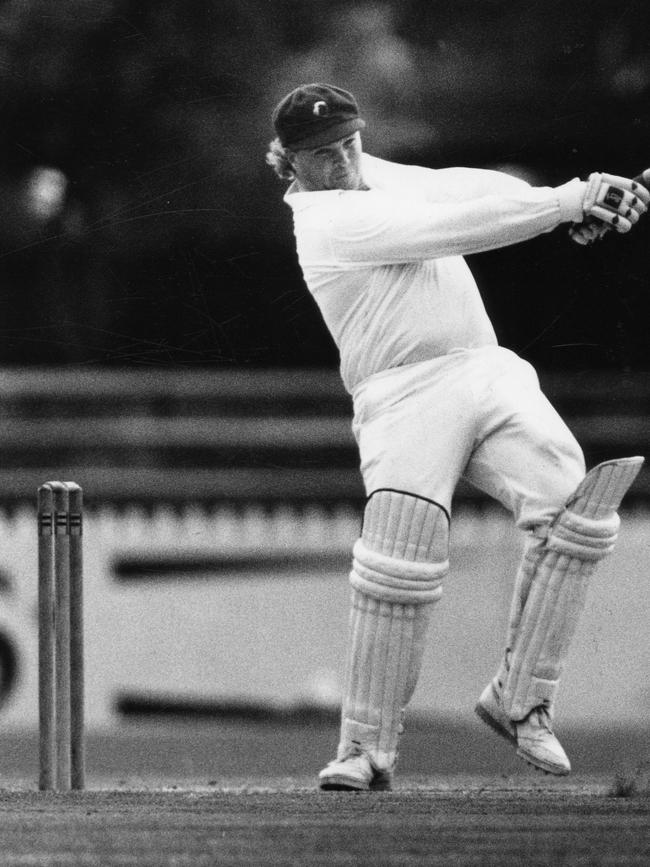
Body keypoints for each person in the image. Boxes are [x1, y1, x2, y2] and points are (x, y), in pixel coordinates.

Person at [266, 83, 648, 791]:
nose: (344, 159)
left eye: (351, 141)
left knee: (576, 505)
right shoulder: (324, 223)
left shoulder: (374, 172)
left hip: (481, 364)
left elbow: (459, 188)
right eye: (323, 154)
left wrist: (582, 197)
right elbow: (454, 226)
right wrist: (567, 203)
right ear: (289, 162)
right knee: (398, 559)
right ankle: (365, 747)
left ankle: (520, 696)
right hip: (401, 395)